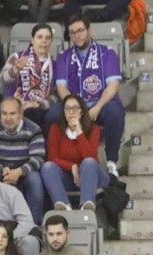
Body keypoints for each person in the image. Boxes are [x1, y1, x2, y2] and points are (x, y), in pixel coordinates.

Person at [53, 14, 125, 172]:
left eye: (80, 30)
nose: (77, 35)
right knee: (51, 114)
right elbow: (61, 88)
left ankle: (112, 161)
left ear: (89, 30)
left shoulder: (107, 53)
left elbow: (112, 86)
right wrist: (74, 109)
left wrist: (98, 107)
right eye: (72, 32)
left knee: (115, 111)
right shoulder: (63, 57)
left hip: (99, 106)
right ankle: (52, 160)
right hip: (74, 106)